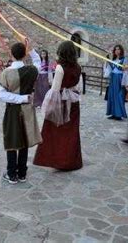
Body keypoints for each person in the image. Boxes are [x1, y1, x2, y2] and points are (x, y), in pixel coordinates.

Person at [33, 41, 83, 171]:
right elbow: (78, 86)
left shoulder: (60, 68)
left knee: (56, 131)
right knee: (71, 131)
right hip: (73, 103)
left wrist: (48, 106)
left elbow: (55, 89)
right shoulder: (78, 67)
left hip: (61, 102)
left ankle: (59, 160)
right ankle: (71, 160)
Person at [0, 40, 42, 184]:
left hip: (12, 110)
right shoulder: (32, 70)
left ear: (11, 54)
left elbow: (2, 95)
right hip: (27, 110)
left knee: (12, 139)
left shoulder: (6, 73)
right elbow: (37, 60)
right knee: (24, 138)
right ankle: (22, 172)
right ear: (24, 55)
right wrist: (30, 49)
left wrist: (19, 98)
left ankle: (12, 174)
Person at [104, 44, 128, 120]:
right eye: (115, 49)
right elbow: (109, 69)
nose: (117, 51)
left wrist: (124, 82)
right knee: (112, 95)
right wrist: (107, 59)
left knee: (119, 96)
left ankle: (119, 114)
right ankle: (113, 113)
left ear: (121, 50)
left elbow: (124, 70)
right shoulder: (113, 60)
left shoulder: (124, 59)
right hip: (113, 78)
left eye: (118, 49)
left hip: (119, 79)